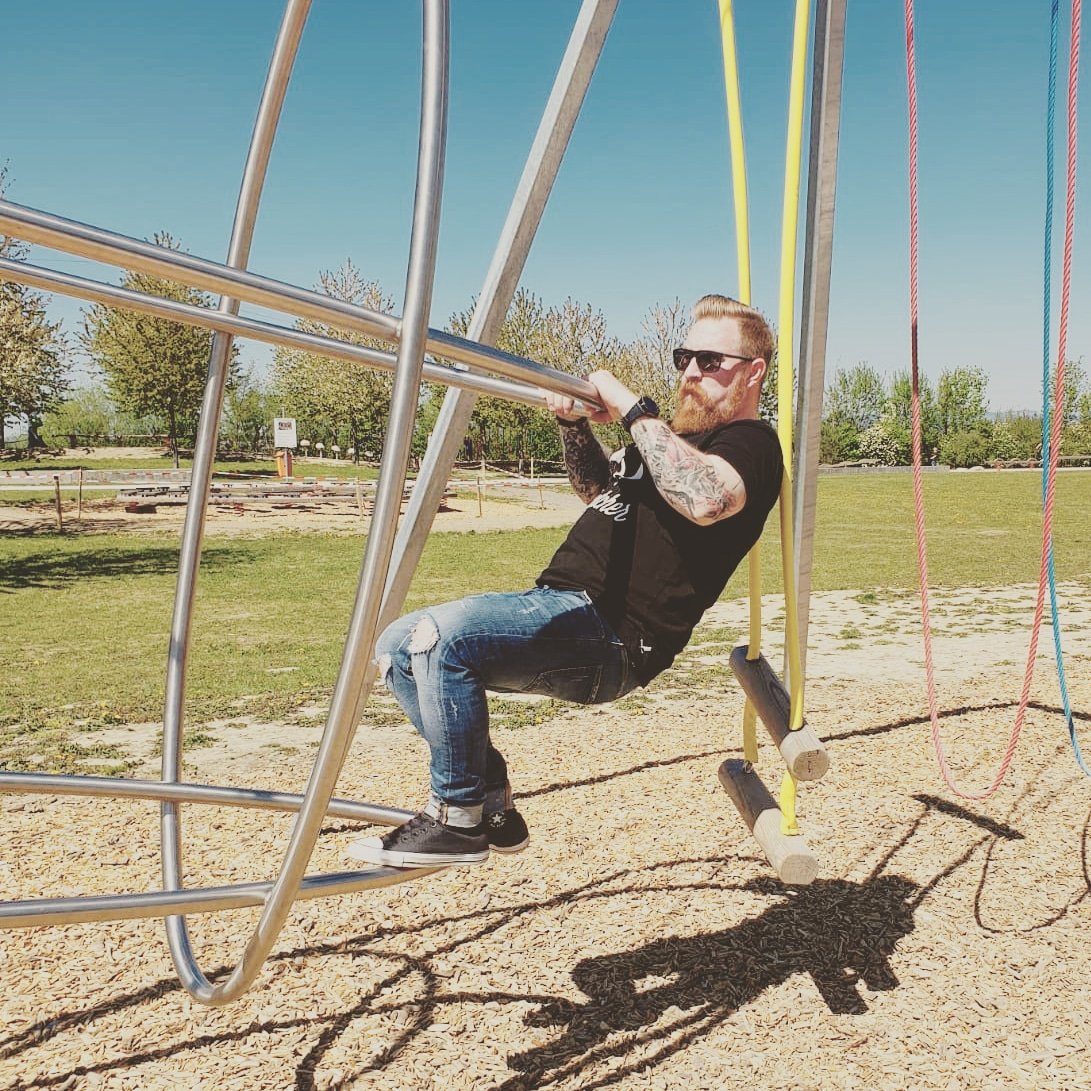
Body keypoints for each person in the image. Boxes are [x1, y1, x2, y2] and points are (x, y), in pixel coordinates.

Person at [347, 294, 784, 868]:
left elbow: (703, 499)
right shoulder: (668, 438)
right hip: (561, 603)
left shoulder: (751, 445)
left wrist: (629, 401)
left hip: (615, 634)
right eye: (684, 358)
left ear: (753, 372)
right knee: (396, 647)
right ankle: (490, 803)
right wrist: (571, 422)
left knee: (439, 638)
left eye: (709, 362)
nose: (690, 375)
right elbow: (597, 487)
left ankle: (455, 820)